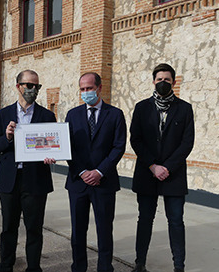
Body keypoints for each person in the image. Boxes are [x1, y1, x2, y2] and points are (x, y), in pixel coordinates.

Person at [0, 69, 56, 272]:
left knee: (34, 229)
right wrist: (7, 137)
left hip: (35, 180)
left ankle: (33, 268)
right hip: (10, 180)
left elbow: (52, 145)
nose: (33, 89)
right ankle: (6, 265)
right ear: (18, 86)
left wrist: (51, 155)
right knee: (8, 228)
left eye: (37, 86)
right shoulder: (3, 114)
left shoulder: (47, 115)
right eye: (29, 85)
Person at [130, 63, 195, 272]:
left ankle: (179, 266)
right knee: (145, 219)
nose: (163, 83)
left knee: (176, 221)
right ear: (153, 81)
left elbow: (187, 142)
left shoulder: (184, 108)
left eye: (167, 80)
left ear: (174, 82)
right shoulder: (142, 107)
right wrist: (152, 165)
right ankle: (140, 263)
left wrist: (167, 167)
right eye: (159, 80)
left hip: (173, 175)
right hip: (147, 173)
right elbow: (136, 139)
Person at [65, 72, 127, 272]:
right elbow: (69, 147)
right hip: (78, 182)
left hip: (104, 182)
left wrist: (100, 171)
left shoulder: (115, 114)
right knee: (78, 231)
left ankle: (105, 268)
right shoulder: (73, 115)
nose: (86, 92)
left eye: (89, 88)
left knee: (104, 230)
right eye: (82, 89)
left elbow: (118, 147)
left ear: (99, 88)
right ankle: (78, 267)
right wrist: (82, 171)